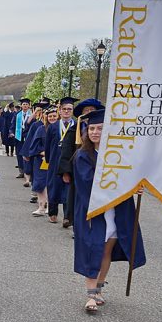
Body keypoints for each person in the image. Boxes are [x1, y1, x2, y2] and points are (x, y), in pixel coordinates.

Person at [71, 109, 146, 313]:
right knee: (92, 248)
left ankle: (99, 288)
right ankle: (90, 295)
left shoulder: (120, 156)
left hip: (116, 212)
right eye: (92, 128)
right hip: (94, 211)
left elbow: (133, 176)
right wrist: (123, 186)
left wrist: (137, 186)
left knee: (106, 250)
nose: (95, 132)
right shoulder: (82, 156)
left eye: (100, 129)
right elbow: (88, 185)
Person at [59, 97, 104, 228]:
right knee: (75, 197)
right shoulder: (75, 130)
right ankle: (71, 219)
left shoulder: (100, 130)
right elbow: (66, 151)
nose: (89, 112)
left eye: (92, 110)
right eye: (87, 110)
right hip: (77, 170)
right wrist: (65, 171)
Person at [44, 98, 76, 223]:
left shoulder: (77, 126)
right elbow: (47, 146)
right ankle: (53, 212)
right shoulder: (53, 127)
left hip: (70, 161)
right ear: (60, 111)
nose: (67, 111)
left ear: (72, 111)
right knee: (54, 187)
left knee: (69, 189)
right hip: (55, 161)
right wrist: (48, 160)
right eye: (64, 109)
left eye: (69, 109)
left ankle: (67, 217)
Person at [13, 98, 31, 179]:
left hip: (28, 136)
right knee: (19, 154)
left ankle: (28, 172)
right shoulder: (17, 115)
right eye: (24, 104)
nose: (25, 106)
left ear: (29, 106)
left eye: (27, 104)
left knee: (28, 154)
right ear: (21, 105)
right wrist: (11, 132)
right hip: (19, 136)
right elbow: (13, 124)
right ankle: (21, 171)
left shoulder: (32, 114)